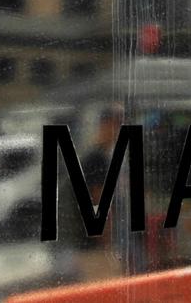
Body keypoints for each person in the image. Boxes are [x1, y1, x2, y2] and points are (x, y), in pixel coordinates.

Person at [76, 104, 126, 282]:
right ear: (106, 125)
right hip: (95, 245)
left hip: (92, 242)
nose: (118, 132)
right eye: (117, 125)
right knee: (107, 285)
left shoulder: (97, 156)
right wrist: (106, 242)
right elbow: (99, 202)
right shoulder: (96, 158)